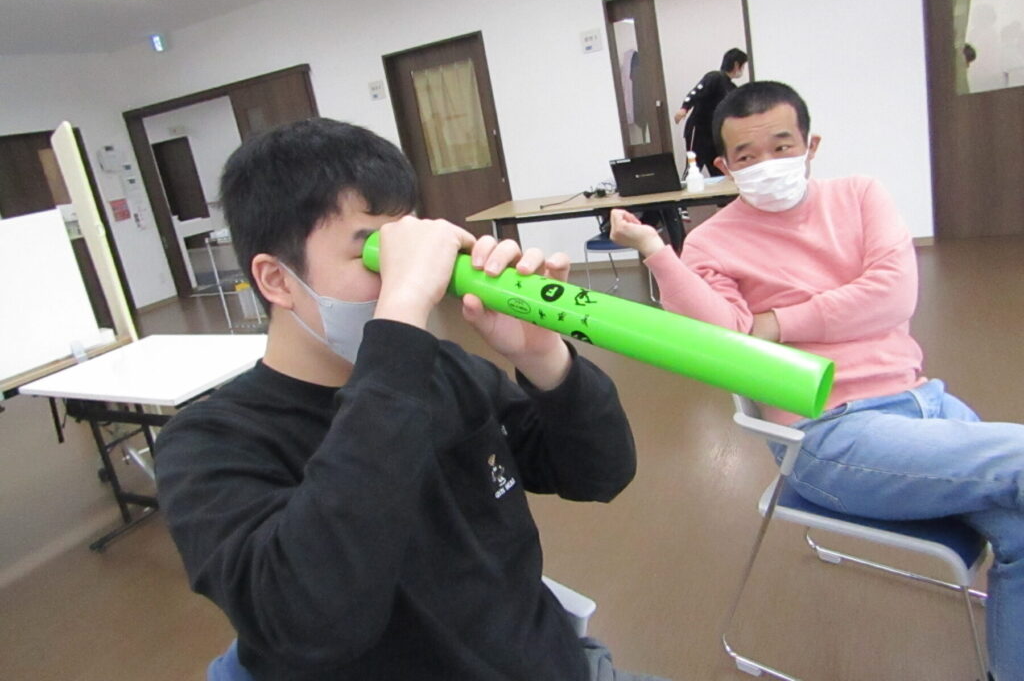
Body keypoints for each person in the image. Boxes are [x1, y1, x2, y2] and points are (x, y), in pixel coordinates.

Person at [154, 118, 668, 681]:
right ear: (276, 280)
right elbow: (310, 621)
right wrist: (399, 318)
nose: (419, 277)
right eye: (376, 254)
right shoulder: (208, 444)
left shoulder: (445, 371)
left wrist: (543, 357)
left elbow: (601, 474)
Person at [611, 81, 1023, 681]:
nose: (767, 164)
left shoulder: (860, 195)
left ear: (811, 145)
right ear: (725, 167)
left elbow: (893, 295)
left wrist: (779, 322)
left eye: (782, 146)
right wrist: (656, 249)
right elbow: (727, 341)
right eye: (747, 156)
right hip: (828, 434)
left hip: (924, 401)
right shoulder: (711, 242)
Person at [673, 48, 748, 176]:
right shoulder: (714, 77)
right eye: (743, 65)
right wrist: (684, 108)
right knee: (693, 167)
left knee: (719, 169)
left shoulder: (731, 88)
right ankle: (686, 189)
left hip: (714, 133)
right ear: (736, 65)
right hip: (699, 130)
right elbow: (696, 92)